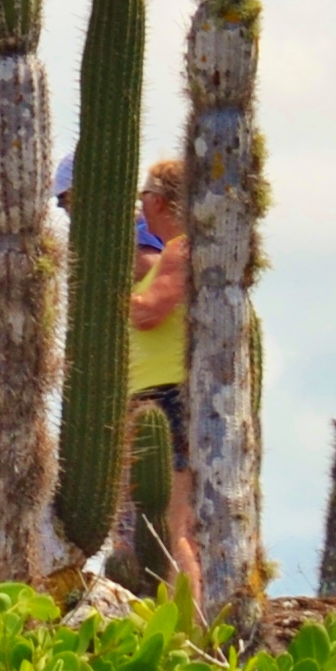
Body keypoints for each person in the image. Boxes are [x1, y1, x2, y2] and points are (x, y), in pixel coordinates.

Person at [127, 158, 199, 583]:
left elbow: (150, 311)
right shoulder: (168, 254)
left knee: (175, 526)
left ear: (157, 200)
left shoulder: (181, 248)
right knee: (161, 525)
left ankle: (191, 625)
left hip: (167, 394)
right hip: (153, 394)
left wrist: (109, 291)